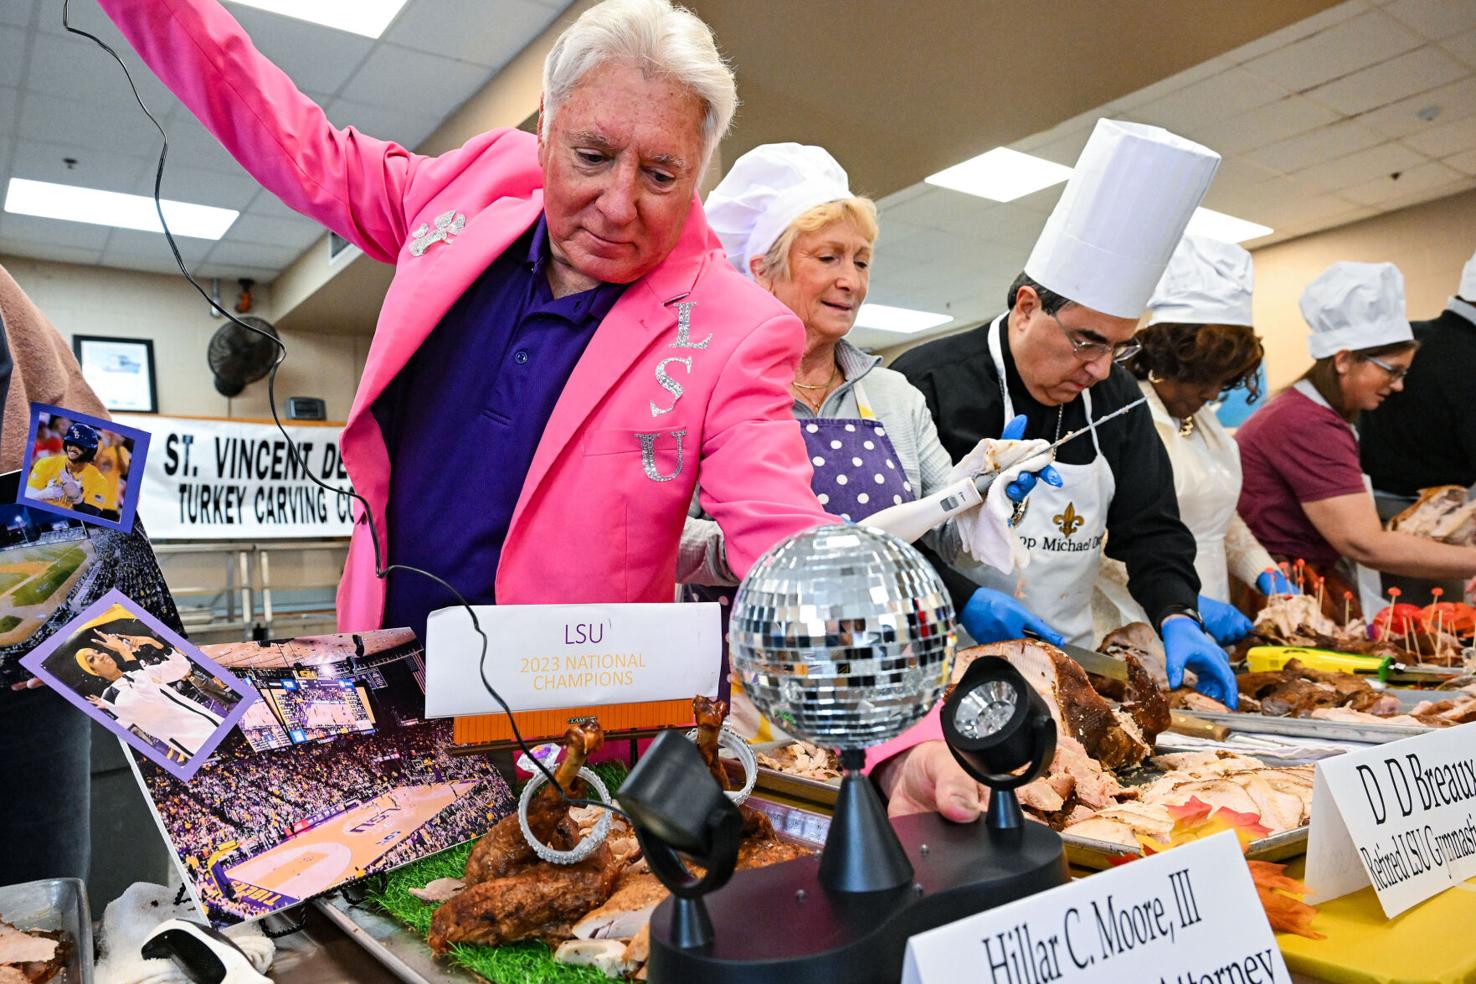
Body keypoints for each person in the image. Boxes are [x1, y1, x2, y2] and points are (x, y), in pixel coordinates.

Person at [99, 0, 837, 641]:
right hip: (381, 666)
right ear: (545, 129)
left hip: (564, 725)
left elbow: (782, 530)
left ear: (698, 170)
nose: (618, 205)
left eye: (660, 175)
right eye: (592, 156)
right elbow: (299, 146)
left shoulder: (733, 328)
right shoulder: (470, 190)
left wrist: (875, 709)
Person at [883, 119, 1236, 821]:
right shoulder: (925, 381)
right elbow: (884, 538)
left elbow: (1151, 527)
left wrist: (1177, 612)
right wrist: (961, 596)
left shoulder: (1116, 398)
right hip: (941, 673)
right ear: (1025, 308)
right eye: (1085, 342)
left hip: (1063, 671)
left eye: (1118, 349)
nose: (1100, 369)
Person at [683, 143, 1062, 737]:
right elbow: (662, 536)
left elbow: (945, 534)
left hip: (884, 686)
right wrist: (765, 552)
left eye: (861, 262)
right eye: (828, 257)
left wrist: (989, 484)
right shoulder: (706, 386)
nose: (851, 281)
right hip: (740, 692)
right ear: (762, 269)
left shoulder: (894, 395)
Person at [1237, 261, 1476, 618]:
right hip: (1284, 590)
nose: (1399, 386)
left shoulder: (1316, 414)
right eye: (1392, 371)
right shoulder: (1306, 423)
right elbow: (1364, 543)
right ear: (1344, 360)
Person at [1094, 236, 1293, 642]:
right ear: (1168, 362)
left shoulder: (1203, 421)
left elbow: (1216, 514)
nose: (1214, 393)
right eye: (1206, 378)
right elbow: (1097, 543)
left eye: (1225, 380)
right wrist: (1179, 602)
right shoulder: (1121, 418)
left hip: (1207, 606)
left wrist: (1263, 569)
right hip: (1138, 614)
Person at [77, 645, 224, 759]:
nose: (101, 656)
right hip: (198, 743)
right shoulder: (110, 696)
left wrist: (157, 645)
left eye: (97, 651)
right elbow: (151, 698)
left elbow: (182, 668)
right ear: (95, 671)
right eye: (92, 659)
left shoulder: (138, 672)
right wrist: (124, 651)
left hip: (216, 723)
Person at [26, 422, 110, 516]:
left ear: (90, 451)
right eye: (71, 443)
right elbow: (27, 496)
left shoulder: (99, 480)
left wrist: (77, 499)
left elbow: (93, 515)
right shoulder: (46, 463)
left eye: (80, 446)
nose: (73, 448)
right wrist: (45, 493)